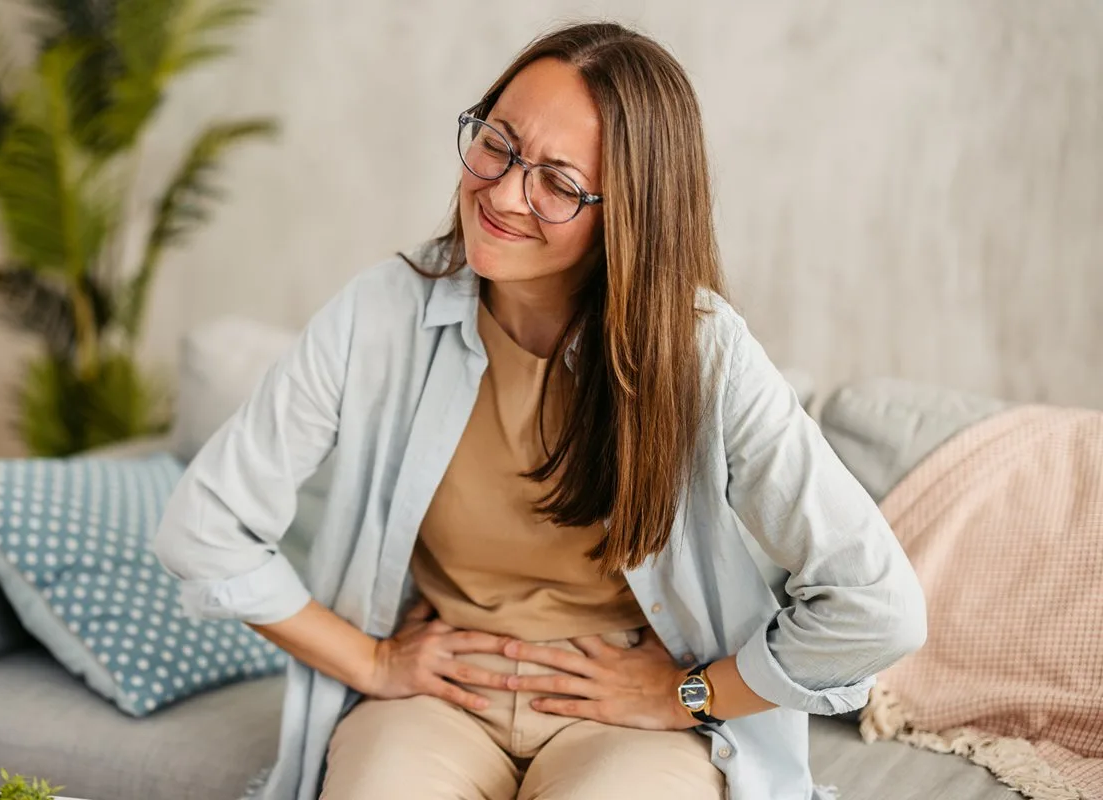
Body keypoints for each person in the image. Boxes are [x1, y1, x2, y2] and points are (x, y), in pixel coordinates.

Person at [152, 21, 926, 800]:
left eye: (558, 182)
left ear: (630, 213)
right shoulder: (380, 313)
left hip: (624, 715)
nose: (504, 192)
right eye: (499, 142)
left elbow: (874, 604)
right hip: (439, 702)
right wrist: (371, 662)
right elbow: (206, 527)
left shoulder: (703, 353)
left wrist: (689, 694)